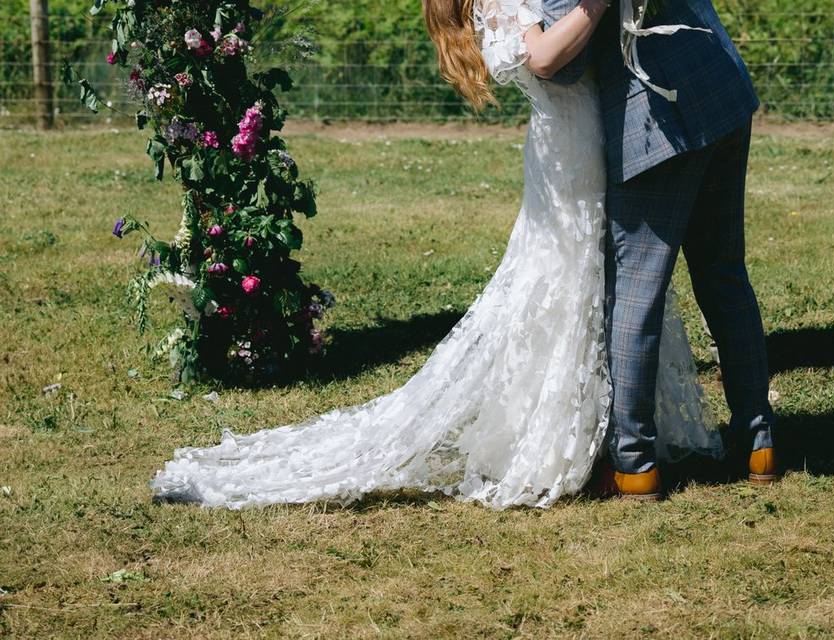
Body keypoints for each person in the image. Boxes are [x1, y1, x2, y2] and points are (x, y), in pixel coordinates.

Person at [149, 0, 724, 510]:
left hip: (603, 134)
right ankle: (581, 443)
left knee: (610, 284)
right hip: (573, 153)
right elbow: (546, 57)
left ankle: (613, 438)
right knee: (572, 285)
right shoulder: (494, 3)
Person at [541, 0, 778, 492]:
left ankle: (634, 462)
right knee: (724, 274)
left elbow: (565, 68)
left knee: (636, 291)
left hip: (652, 120)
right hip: (719, 88)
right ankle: (759, 441)